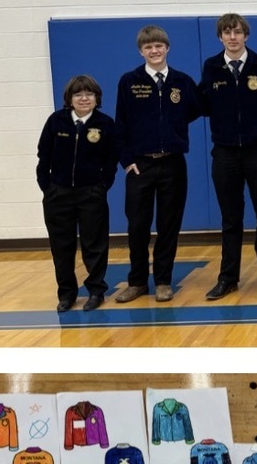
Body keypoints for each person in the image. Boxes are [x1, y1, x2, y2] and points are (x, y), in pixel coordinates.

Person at [113, 24, 201, 304]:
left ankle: (163, 281)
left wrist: (171, 130)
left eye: (159, 46)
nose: (154, 51)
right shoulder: (129, 81)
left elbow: (194, 110)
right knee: (137, 226)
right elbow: (120, 123)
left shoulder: (182, 81)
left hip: (173, 164)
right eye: (148, 47)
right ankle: (137, 281)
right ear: (141, 51)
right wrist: (127, 160)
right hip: (140, 165)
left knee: (168, 226)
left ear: (167, 48)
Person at [200, 13, 257, 301]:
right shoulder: (211, 66)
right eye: (227, 32)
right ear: (220, 37)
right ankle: (228, 278)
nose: (232, 37)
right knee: (230, 219)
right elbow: (202, 105)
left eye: (237, 32)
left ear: (246, 35)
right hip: (224, 153)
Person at [35, 74, 119, 312]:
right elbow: (43, 155)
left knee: (95, 245)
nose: (84, 98)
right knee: (62, 247)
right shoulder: (56, 121)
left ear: (96, 98)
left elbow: (111, 159)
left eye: (89, 94)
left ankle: (96, 291)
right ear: (69, 98)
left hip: (91, 193)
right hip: (58, 193)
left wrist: (102, 185)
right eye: (78, 94)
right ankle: (66, 294)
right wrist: (46, 185)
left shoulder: (105, 124)